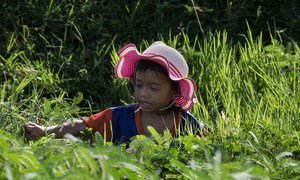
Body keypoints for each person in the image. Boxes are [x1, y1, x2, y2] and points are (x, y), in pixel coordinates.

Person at [24, 41, 205, 144]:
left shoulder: (186, 123)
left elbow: (209, 147)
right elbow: (82, 125)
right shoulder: (119, 117)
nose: (143, 93)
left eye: (154, 88)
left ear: (174, 91)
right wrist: (46, 131)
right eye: (138, 85)